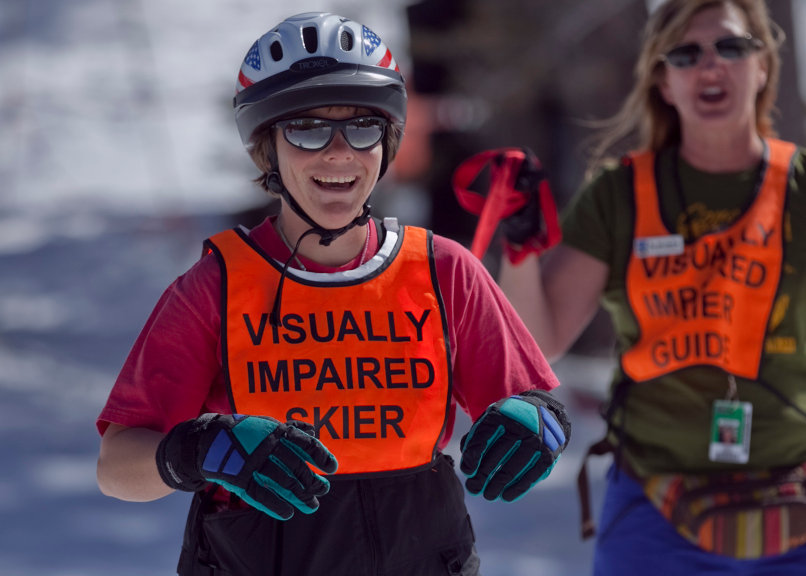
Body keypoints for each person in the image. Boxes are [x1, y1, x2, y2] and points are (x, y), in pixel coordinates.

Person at [493, 0, 806, 574]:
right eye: (685, 53)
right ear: (664, 82)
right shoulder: (619, 196)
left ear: (764, 66)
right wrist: (519, 244)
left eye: (730, 47)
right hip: (657, 501)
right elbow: (540, 337)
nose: (710, 66)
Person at [95, 13, 570, 576]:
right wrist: (197, 451)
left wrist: (539, 421)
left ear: (388, 143)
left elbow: (535, 402)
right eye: (307, 129)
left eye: (364, 127)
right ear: (267, 149)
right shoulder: (216, 288)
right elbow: (115, 468)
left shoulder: (444, 271)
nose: (339, 153)